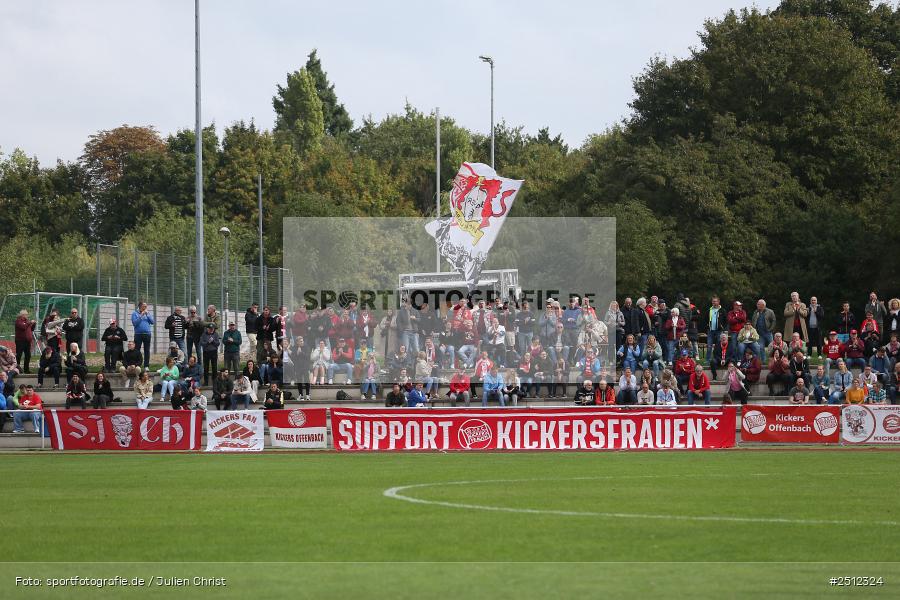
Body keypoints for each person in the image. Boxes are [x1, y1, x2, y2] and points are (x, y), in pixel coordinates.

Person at [130, 301, 155, 369]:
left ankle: (146, 366)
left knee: (147, 350)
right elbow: (135, 323)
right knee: (137, 350)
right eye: (144, 306)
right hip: (138, 334)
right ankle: (137, 365)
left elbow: (152, 322)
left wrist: (147, 315)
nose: (146, 307)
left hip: (147, 334)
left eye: (146, 306)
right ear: (140, 306)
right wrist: (141, 315)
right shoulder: (134, 313)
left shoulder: (148, 313)